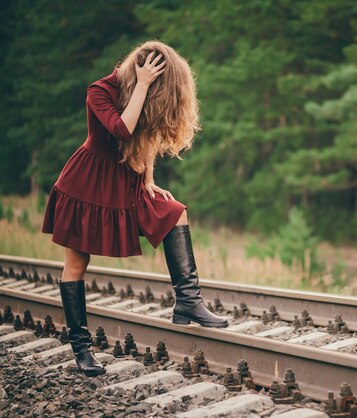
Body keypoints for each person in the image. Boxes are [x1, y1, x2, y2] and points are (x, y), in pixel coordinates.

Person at [41, 40, 228, 377]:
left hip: (128, 180)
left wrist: (148, 180)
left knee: (175, 212)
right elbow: (122, 128)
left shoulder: (142, 94)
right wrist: (142, 84)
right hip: (86, 184)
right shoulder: (100, 90)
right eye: (150, 82)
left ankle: (188, 301)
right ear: (138, 71)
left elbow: (148, 136)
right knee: (76, 264)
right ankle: (81, 350)